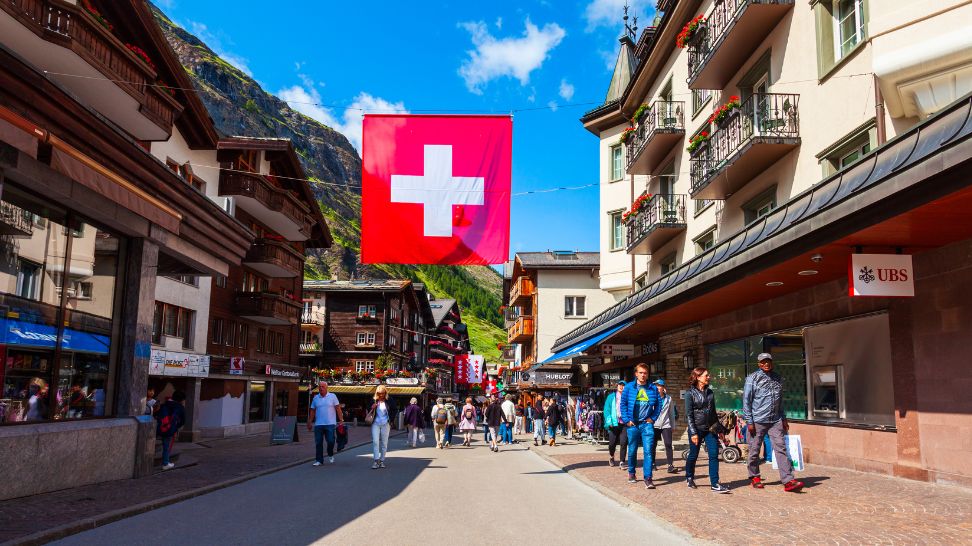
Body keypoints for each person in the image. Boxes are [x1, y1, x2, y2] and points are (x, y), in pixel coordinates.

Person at [744, 353, 804, 492]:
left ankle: (788, 480)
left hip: (775, 420)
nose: (766, 364)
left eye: (768, 361)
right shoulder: (752, 378)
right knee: (754, 450)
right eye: (763, 362)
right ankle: (754, 477)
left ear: (772, 362)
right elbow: (746, 401)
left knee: (781, 448)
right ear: (759, 364)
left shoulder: (778, 378)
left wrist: (783, 418)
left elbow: (780, 401)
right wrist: (749, 421)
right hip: (758, 420)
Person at [685, 368, 730, 493]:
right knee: (693, 455)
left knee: (714, 455)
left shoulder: (710, 392)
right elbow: (689, 415)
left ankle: (715, 483)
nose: (708, 377)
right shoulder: (689, 394)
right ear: (698, 377)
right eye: (706, 375)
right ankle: (689, 477)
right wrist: (693, 432)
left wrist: (720, 430)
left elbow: (713, 413)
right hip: (697, 429)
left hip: (710, 429)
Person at [620, 363, 661, 489]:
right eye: (641, 372)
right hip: (633, 424)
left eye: (645, 373)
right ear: (636, 374)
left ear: (648, 375)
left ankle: (648, 478)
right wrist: (627, 420)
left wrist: (652, 418)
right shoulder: (629, 387)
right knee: (632, 450)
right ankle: (631, 472)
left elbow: (659, 404)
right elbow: (623, 404)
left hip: (646, 425)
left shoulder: (652, 388)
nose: (643, 375)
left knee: (648, 451)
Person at [307, 381, 343, 466]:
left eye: (323, 386)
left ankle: (330, 453)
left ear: (327, 388)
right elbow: (312, 410)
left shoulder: (333, 396)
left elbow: (338, 408)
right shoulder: (315, 398)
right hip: (318, 424)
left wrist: (341, 420)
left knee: (330, 441)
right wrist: (310, 421)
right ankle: (319, 460)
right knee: (318, 442)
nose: (321, 388)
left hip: (330, 423)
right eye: (320, 386)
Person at [651, 379, 679, 474]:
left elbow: (671, 413)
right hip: (654, 425)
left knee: (668, 444)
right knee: (653, 445)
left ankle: (670, 465)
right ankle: (653, 463)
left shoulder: (668, 398)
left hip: (666, 424)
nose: (657, 387)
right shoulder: (652, 398)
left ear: (663, 387)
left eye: (659, 386)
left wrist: (673, 426)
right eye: (656, 386)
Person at [156, 391, 186, 471]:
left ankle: (166, 462)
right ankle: (165, 463)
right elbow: (183, 421)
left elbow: (158, 415)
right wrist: (176, 427)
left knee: (164, 444)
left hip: (160, 427)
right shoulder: (180, 407)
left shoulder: (165, 404)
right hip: (170, 429)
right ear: (181, 400)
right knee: (166, 446)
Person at [369, 385, 398, 469]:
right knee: (375, 442)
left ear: (385, 393)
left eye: (383, 393)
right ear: (377, 393)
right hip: (375, 423)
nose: (381, 395)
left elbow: (394, 410)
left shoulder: (389, 400)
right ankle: (376, 461)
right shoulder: (374, 400)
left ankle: (382, 460)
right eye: (379, 393)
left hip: (385, 424)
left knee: (384, 443)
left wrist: (390, 420)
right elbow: (368, 409)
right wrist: (372, 407)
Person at [604, 380, 628, 469]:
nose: (621, 387)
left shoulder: (628, 397)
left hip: (624, 424)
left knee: (624, 443)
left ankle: (622, 462)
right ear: (617, 386)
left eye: (623, 385)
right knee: (612, 443)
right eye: (620, 385)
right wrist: (609, 422)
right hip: (613, 423)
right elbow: (607, 410)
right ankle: (611, 456)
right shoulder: (611, 397)